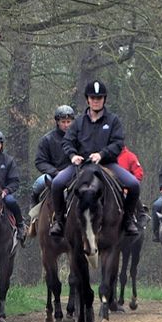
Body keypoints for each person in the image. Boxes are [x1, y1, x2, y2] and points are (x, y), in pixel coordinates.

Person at [49, 79, 140, 237]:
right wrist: (72, 155)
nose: (96, 101)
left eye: (99, 98)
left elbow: (118, 143)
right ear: (87, 100)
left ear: (104, 99)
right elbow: (67, 141)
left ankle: (128, 219)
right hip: (81, 166)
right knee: (56, 183)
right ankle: (59, 221)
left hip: (107, 165)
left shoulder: (113, 121)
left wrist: (102, 154)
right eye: (93, 98)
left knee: (133, 184)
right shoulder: (78, 122)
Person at [31, 105, 75, 208]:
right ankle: (34, 211)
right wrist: (55, 172)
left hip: (74, 173)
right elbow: (40, 161)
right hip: (54, 174)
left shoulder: (78, 138)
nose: (66, 125)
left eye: (68, 122)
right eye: (63, 122)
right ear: (57, 122)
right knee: (39, 184)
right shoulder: (47, 139)